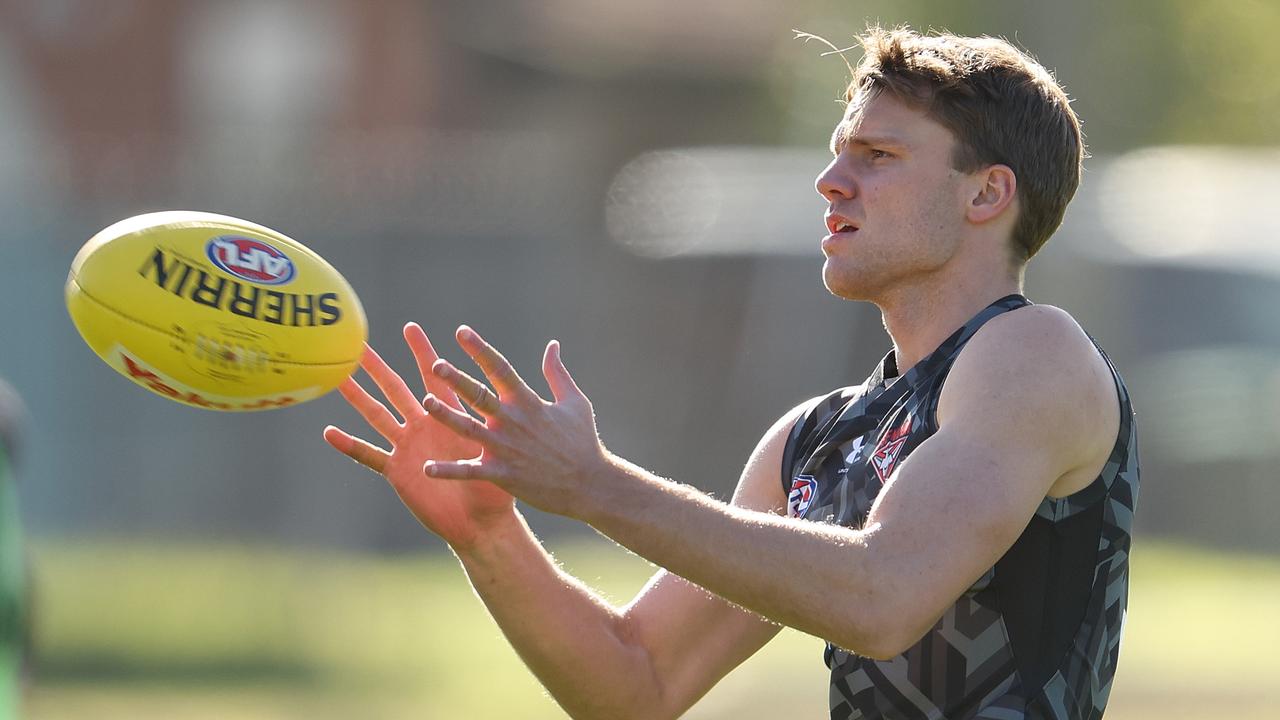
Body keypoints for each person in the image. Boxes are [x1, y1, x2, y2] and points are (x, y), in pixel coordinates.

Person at [324, 25, 1138, 720]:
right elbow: (637, 683)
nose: (831, 181)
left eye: (879, 155)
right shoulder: (813, 440)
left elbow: (882, 596)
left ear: (988, 194)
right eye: (836, 154)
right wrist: (489, 535)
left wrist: (593, 484)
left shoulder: (1037, 353)